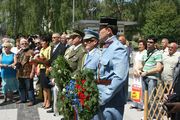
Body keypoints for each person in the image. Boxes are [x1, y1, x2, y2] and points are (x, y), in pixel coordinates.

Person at [93, 17, 129, 120]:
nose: (98, 32)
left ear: (108, 31)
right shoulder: (106, 47)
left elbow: (119, 78)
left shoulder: (118, 48)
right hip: (99, 97)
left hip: (111, 101)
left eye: (100, 29)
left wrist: (104, 97)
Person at [16, 38, 36, 106]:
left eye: (25, 43)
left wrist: (32, 72)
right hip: (20, 72)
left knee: (29, 87)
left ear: (27, 44)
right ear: (20, 45)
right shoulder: (19, 52)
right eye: (22, 44)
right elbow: (17, 62)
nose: (24, 45)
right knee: (21, 87)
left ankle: (32, 100)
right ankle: (23, 99)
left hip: (28, 72)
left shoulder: (31, 51)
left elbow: (34, 63)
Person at [130, 39, 147, 111]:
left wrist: (139, 71)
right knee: (134, 88)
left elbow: (144, 64)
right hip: (135, 73)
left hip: (140, 73)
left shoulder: (145, 53)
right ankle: (135, 104)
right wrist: (134, 71)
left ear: (144, 46)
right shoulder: (137, 53)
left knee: (140, 89)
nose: (139, 46)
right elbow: (134, 63)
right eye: (139, 44)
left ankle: (141, 105)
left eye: (141, 45)